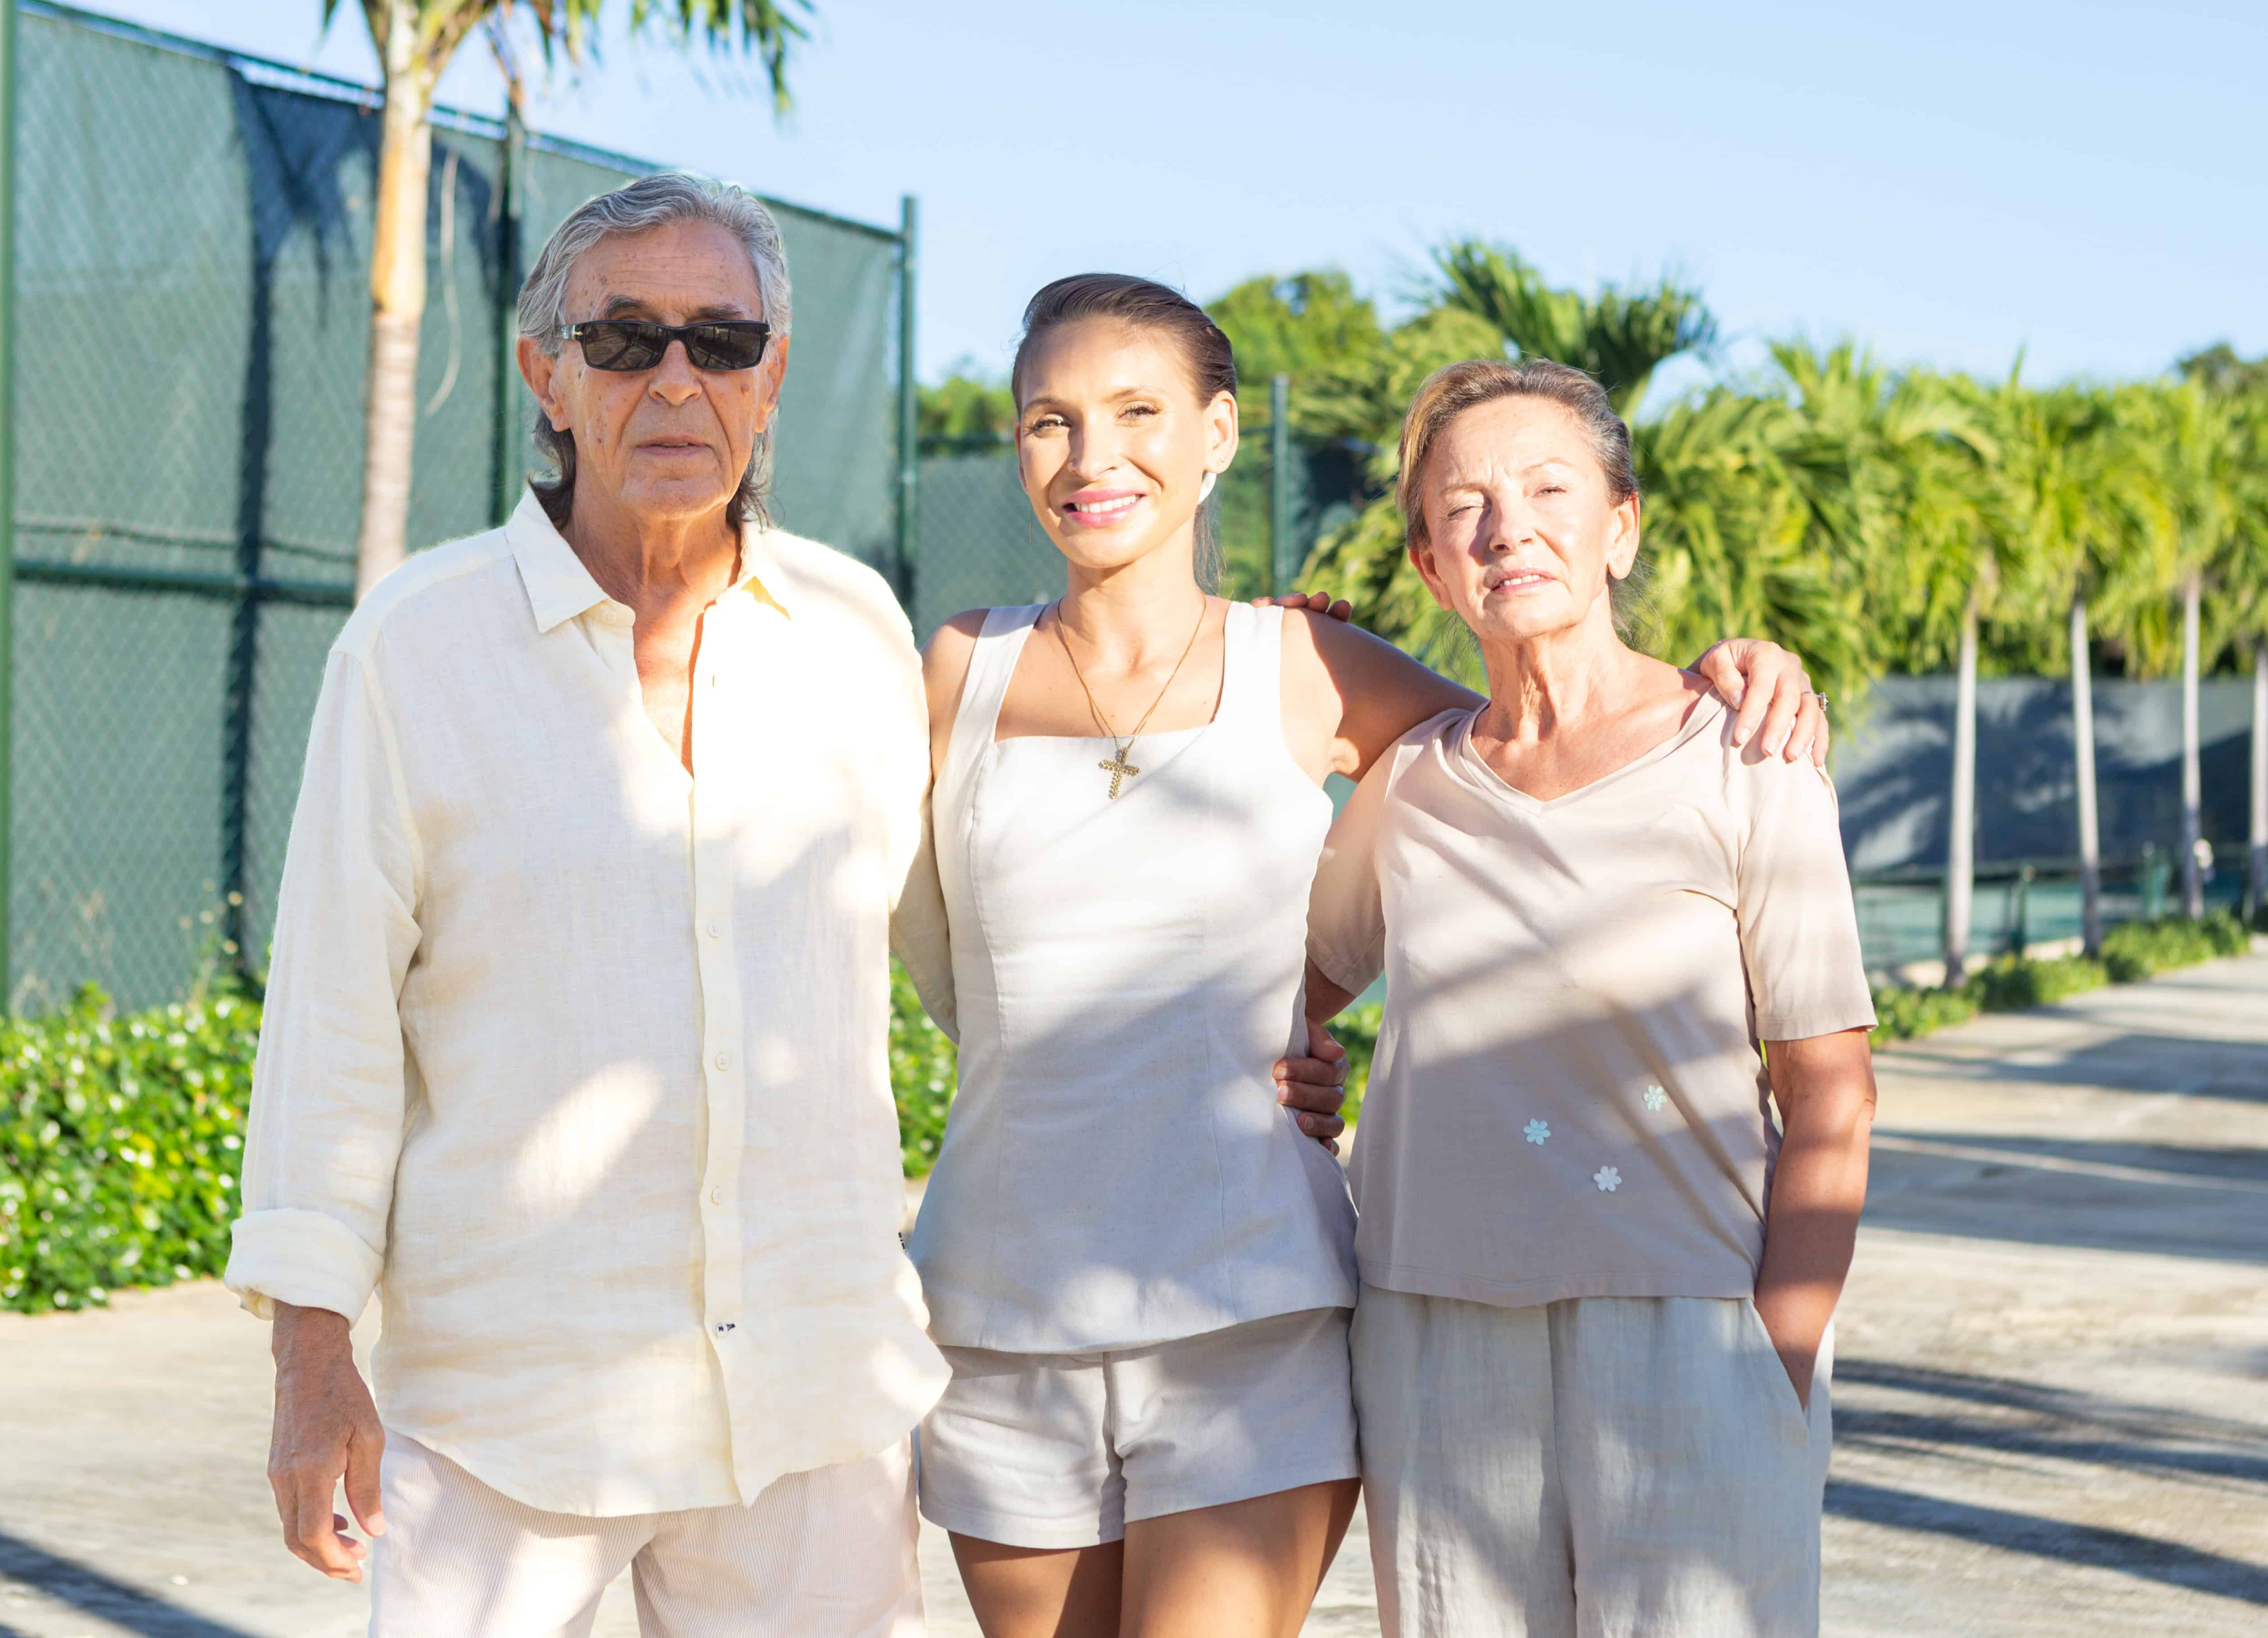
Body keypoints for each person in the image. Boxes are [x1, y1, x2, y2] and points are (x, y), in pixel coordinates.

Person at [906, 276, 1833, 1638]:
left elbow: (1558, 752)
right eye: (1053, 419)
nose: (1094, 455)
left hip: (1252, 1306)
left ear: (1220, 434)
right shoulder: (951, 668)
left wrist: (1741, 676)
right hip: (1002, 1297)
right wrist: (1281, 1028)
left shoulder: (1316, 668)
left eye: (1139, 411)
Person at [224, 173, 953, 1638]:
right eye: (622, 339)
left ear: (772, 378)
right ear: (545, 377)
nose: (675, 380)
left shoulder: (858, 633)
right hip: (509, 1415)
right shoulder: (414, 651)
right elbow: (331, 1024)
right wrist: (312, 1364)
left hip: (813, 1399)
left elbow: (964, 949)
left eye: (720, 341)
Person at [1305, 357, 1879, 1637]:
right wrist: (1300, 1066)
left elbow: (1831, 1090)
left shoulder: (1750, 754)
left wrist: (1777, 1363)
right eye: (1464, 507)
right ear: (1432, 565)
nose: (1508, 529)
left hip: (1695, 1330)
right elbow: (1278, 990)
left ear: (1621, 527)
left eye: (1550, 490)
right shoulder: (1410, 783)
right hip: (1434, 1332)